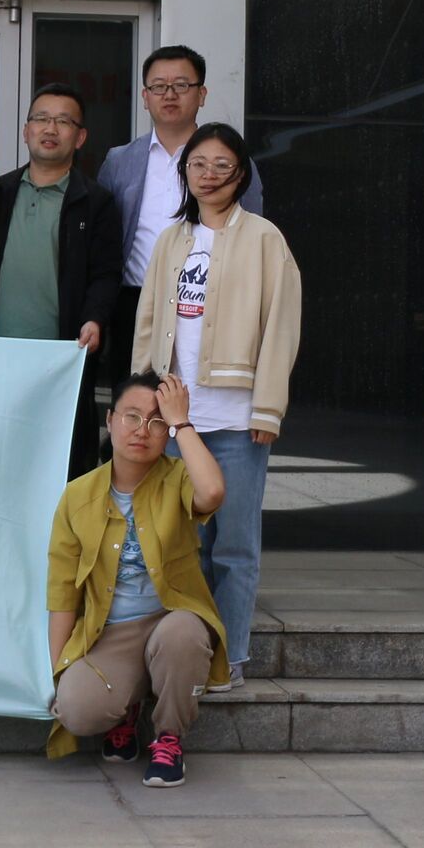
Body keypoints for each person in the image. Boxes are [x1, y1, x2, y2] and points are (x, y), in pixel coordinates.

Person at [129, 122, 302, 686]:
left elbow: (282, 327)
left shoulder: (264, 239)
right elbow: (149, 320)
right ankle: (187, 656)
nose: (208, 175)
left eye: (221, 165)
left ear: (241, 173)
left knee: (234, 547)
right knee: (182, 546)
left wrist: (268, 408)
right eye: (197, 164)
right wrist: (145, 396)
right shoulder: (171, 240)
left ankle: (231, 658)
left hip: (236, 422)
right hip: (178, 420)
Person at [46, 370, 227, 789]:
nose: (142, 430)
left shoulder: (178, 478)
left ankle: (168, 738)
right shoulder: (77, 496)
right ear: (110, 420)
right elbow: (63, 591)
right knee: (76, 711)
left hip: (170, 619)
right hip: (111, 633)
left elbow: (213, 492)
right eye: (131, 417)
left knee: (182, 633)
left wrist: (181, 422)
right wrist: (58, 673)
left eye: (156, 422)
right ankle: (125, 710)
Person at [0, 81, 123, 475]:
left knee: (56, 466)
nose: (50, 128)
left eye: (63, 121)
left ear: (80, 137)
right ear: (26, 130)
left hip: (59, 361)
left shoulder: (96, 202)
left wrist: (94, 318)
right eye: (41, 118)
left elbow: (106, 274)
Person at [98, 44, 264, 375]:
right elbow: (103, 239)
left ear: (201, 94)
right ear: (145, 96)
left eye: (182, 85)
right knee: (136, 398)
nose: (170, 94)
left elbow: (251, 233)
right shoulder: (119, 161)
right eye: (159, 86)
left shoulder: (231, 163)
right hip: (134, 303)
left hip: (207, 302)